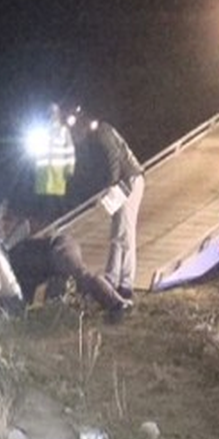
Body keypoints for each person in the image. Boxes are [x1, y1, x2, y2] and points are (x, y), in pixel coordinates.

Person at [0, 203, 132, 320]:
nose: (5, 225)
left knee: (81, 275)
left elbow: (35, 228)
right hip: (48, 267)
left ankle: (116, 303)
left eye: (8, 219)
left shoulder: (18, 237)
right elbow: (23, 286)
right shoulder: (8, 249)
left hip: (58, 248)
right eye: (3, 220)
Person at [69, 110, 146, 299]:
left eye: (76, 132)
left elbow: (113, 161)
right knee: (117, 232)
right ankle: (113, 277)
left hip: (129, 181)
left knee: (125, 232)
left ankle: (125, 283)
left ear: (83, 125)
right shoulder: (90, 139)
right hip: (120, 184)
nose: (75, 137)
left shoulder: (102, 132)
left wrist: (110, 187)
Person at [31, 103, 77, 220]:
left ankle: (65, 221)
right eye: (49, 113)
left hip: (58, 172)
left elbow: (70, 151)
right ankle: (48, 223)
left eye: (53, 113)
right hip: (43, 173)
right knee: (46, 204)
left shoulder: (63, 131)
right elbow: (35, 151)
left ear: (58, 114)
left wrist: (70, 168)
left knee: (59, 201)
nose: (51, 116)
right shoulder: (41, 131)